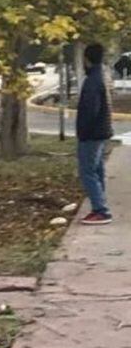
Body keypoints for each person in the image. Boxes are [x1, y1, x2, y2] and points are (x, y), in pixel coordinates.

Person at [76, 43, 114, 225]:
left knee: (88, 172)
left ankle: (101, 210)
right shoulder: (102, 76)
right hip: (101, 131)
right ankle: (99, 205)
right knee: (97, 170)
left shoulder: (92, 81)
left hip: (91, 134)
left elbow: (90, 110)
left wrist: (83, 131)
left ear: (87, 59)